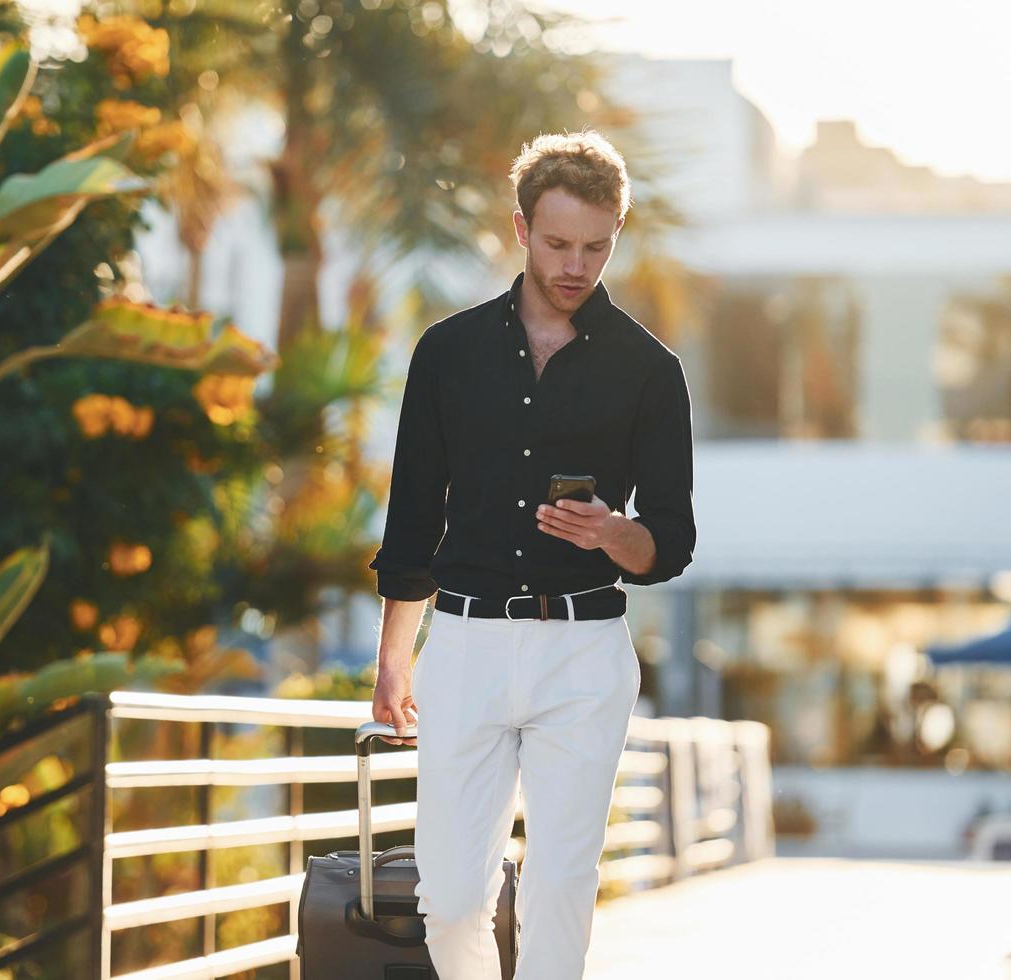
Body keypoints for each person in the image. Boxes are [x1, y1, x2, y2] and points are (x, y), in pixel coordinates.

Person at [368, 130, 697, 979]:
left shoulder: (650, 372)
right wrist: (393, 661)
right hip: (467, 645)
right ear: (520, 231)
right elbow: (412, 526)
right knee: (450, 895)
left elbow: (671, 540)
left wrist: (610, 533)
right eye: (557, 243)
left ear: (617, 234)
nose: (575, 265)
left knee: (560, 884)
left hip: (584, 652)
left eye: (596, 246)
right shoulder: (448, 353)